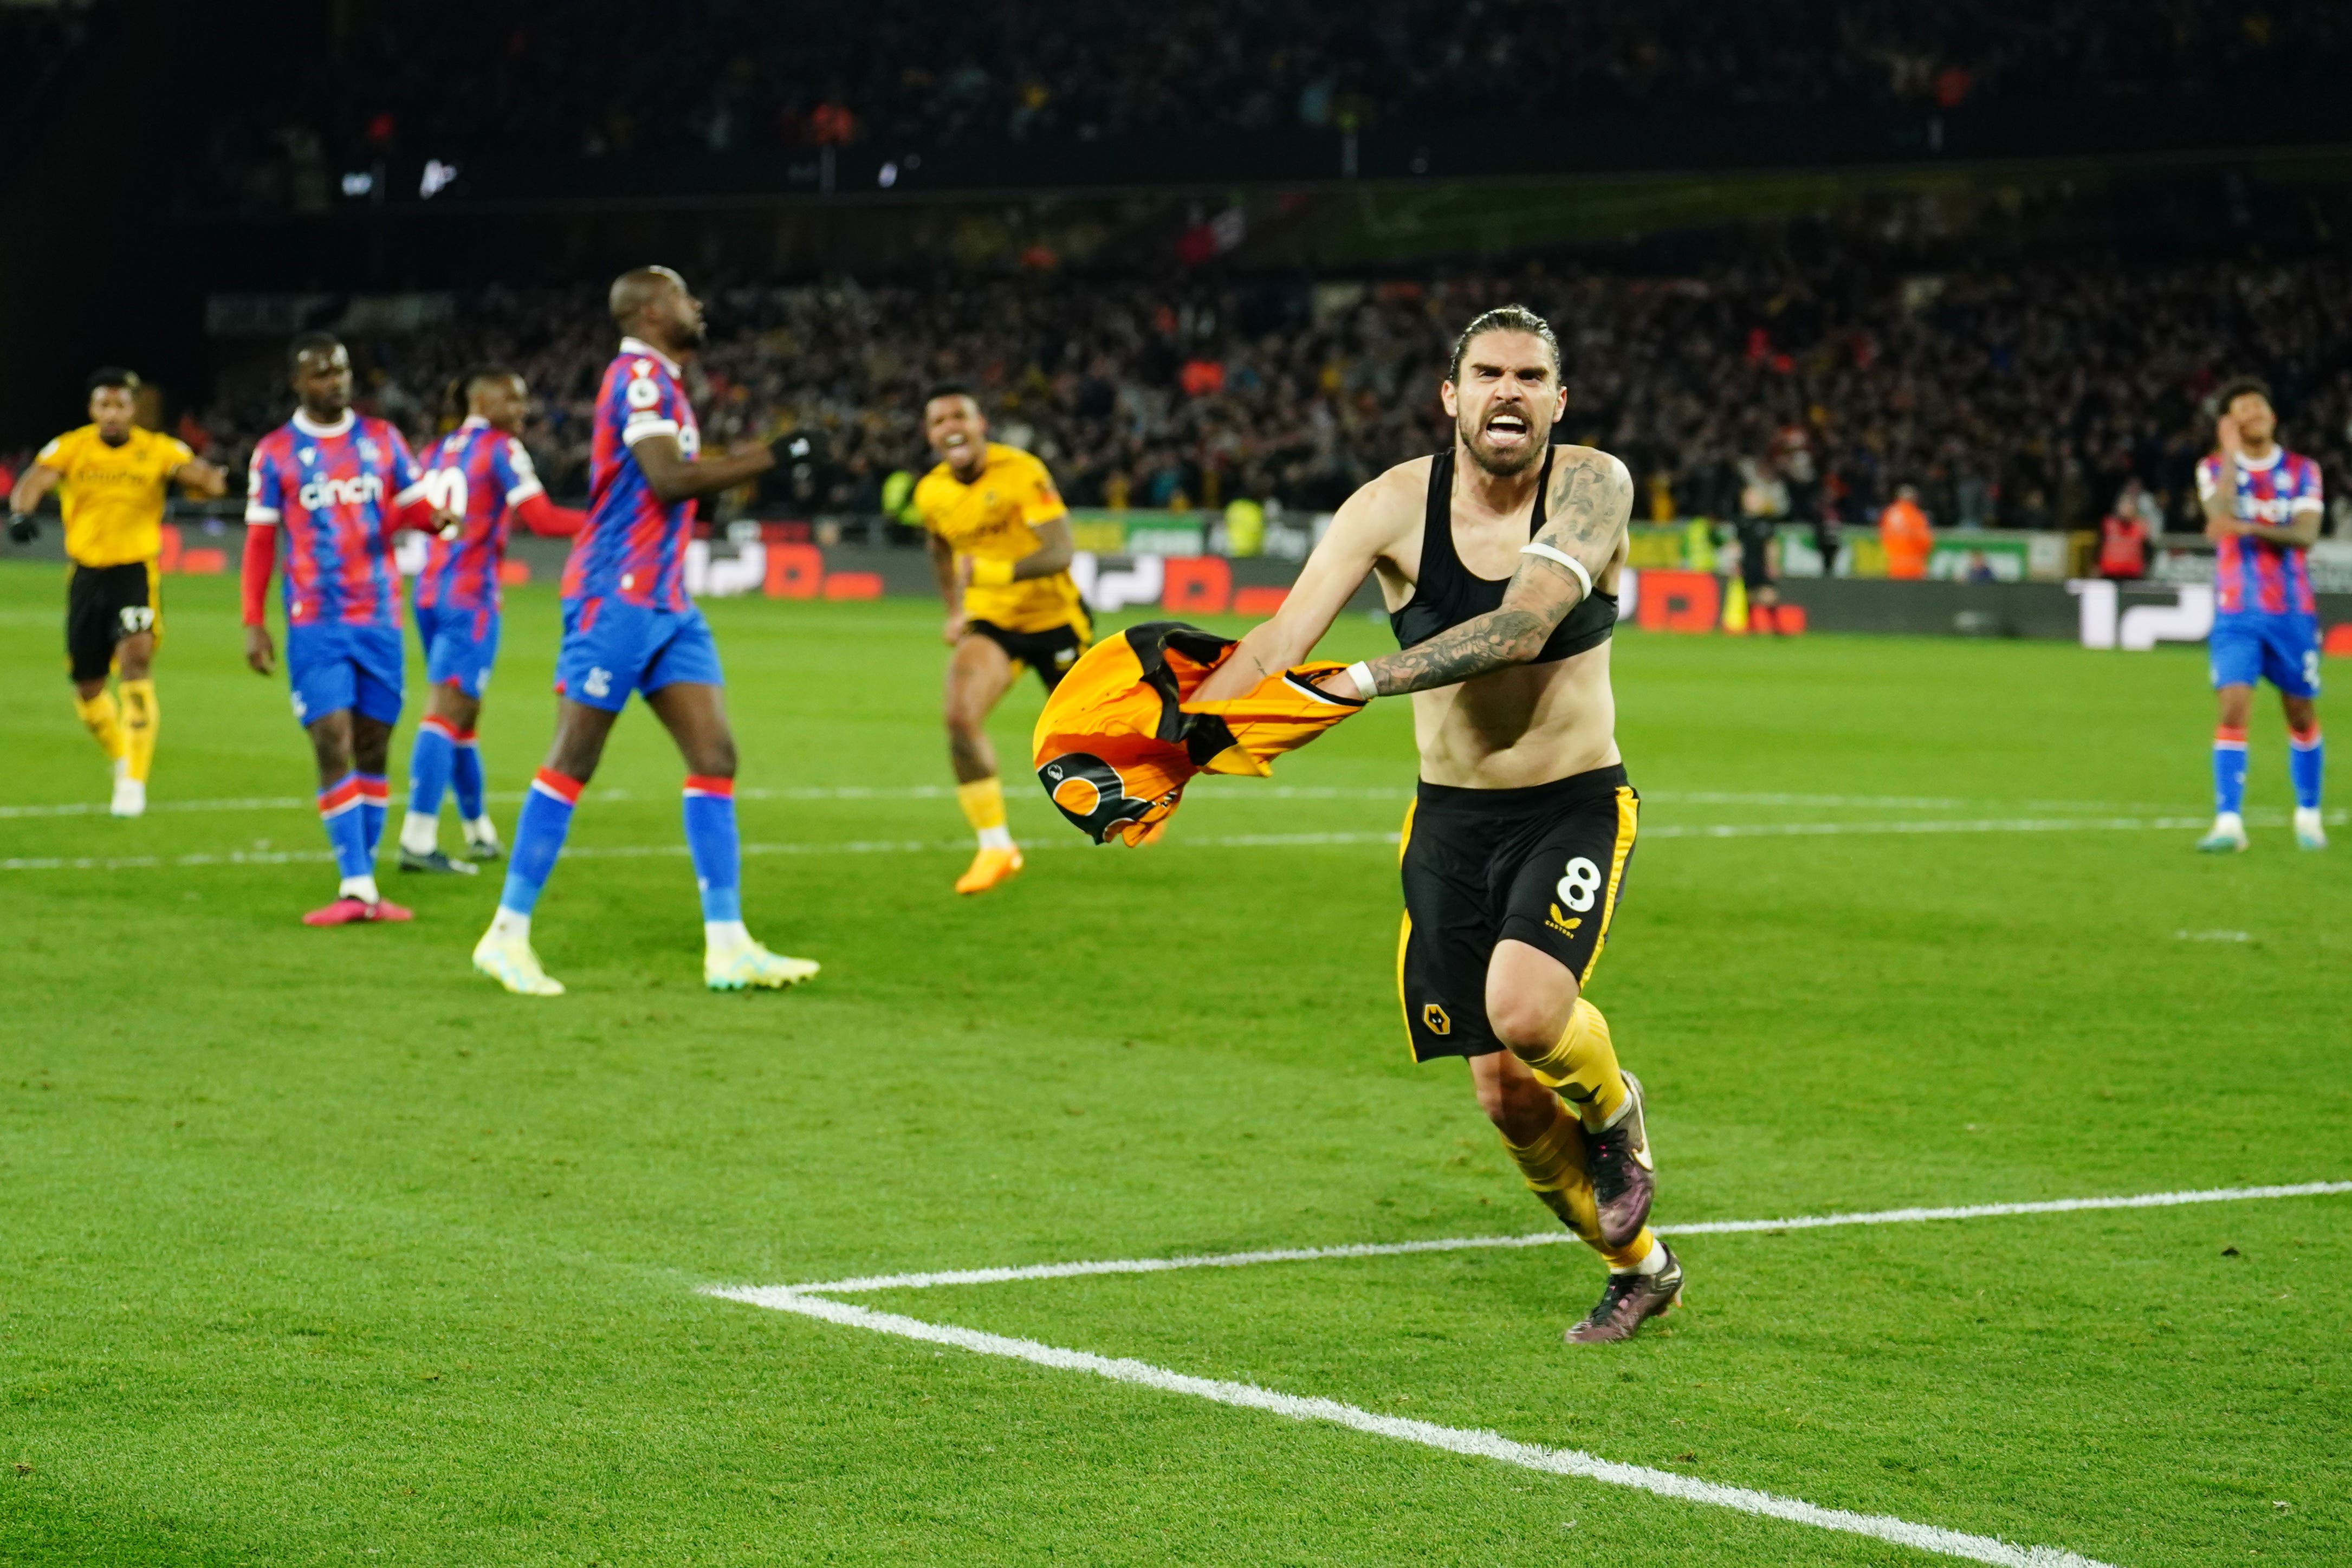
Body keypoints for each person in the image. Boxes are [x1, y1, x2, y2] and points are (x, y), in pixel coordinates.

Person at [1196, 305, 1674, 1345]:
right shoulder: (1387, 504)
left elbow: (1526, 621)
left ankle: (1614, 1112)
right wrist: (1176, 744)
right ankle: (1640, 1266)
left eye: (1530, 375)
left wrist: (1365, 677)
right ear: (1450, 395)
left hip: (1572, 803)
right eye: (1488, 373)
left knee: (1529, 1010)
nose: (1510, 389)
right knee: (1504, 1099)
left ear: (1560, 398)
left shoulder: (1595, 483)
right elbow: (1282, 636)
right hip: (1449, 824)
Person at [470, 265, 820, 996]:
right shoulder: (636, 378)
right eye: (689, 298)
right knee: (575, 754)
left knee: (714, 753)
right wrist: (772, 455)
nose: (700, 308)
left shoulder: (667, 384)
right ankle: (505, 935)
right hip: (616, 592)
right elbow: (666, 479)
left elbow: (671, 493)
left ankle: (728, 945)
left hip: (666, 599)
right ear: (656, 310)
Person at [241, 335, 456, 924]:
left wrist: (433, 518)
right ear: (297, 383)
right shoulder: (275, 452)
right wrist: (254, 621)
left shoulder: (382, 440)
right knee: (331, 739)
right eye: (319, 374)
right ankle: (356, 882)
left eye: (339, 371)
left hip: (380, 616)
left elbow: (411, 504)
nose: (333, 382)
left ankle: (365, 885)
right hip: (315, 620)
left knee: (373, 745)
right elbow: (261, 542)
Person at [7, 368, 228, 817]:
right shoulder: (73, 447)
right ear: (93, 409)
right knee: (88, 687)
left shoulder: (156, 449)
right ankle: (121, 755)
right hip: (87, 576)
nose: (112, 414)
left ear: (134, 409)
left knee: (136, 660)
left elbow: (198, 474)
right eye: (104, 406)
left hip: (135, 573)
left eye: (121, 406)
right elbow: (35, 480)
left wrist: (210, 480)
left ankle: (133, 782)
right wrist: (21, 513)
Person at [396, 366, 586, 874]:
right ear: (482, 400)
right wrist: (605, 523)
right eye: (513, 399)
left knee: (463, 716)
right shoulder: (501, 449)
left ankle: (479, 830)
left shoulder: (436, 451)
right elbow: (542, 519)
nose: (522, 410)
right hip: (471, 597)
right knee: (444, 711)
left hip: (430, 590)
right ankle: (418, 838)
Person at [913, 385, 1087, 894]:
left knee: (1095, 738)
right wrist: (954, 612)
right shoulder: (930, 492)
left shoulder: (1022, 472)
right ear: (930, 435)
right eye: (939, 420)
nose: (950, 427)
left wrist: (993, 572)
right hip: (992, 625)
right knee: (959, 718)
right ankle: (995, 846)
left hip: (1055, 620)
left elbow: (1060, 551)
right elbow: (938, 548)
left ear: (980, 423)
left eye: (959, 416)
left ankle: (1148, 793)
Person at [2194, 377, 2325, 853]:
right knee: (2231, 705)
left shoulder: (2302, 469)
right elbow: (2216, 513)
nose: (2253, 411)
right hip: (2235, 610)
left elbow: (2306, 534)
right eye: (2241, 408)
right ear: (2230, 423)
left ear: (2271, 414)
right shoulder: (2212, 468)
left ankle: (2308, 814)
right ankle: (2228, 822)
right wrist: (2229, 454)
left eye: (2258, 403)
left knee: (2299, 712)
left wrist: (2245, 526)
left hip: (2291, 611)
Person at [1879, 483, 1932, 579]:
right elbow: (1925, 542)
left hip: (1893, 566)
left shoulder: (1889, 514)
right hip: (1914, 568)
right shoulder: (1916, 516)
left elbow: (1883, 537)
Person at [2096, 490, 2150, 581]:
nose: (2126, 509)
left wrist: (2146, 568)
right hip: (2109, 573)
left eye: (2129, 506)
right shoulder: (2108, 525)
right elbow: (2099, 546)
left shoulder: (2141, 527)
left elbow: (2147, 550)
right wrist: (2096, 566)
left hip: (2133, 575)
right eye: (2124, 505)